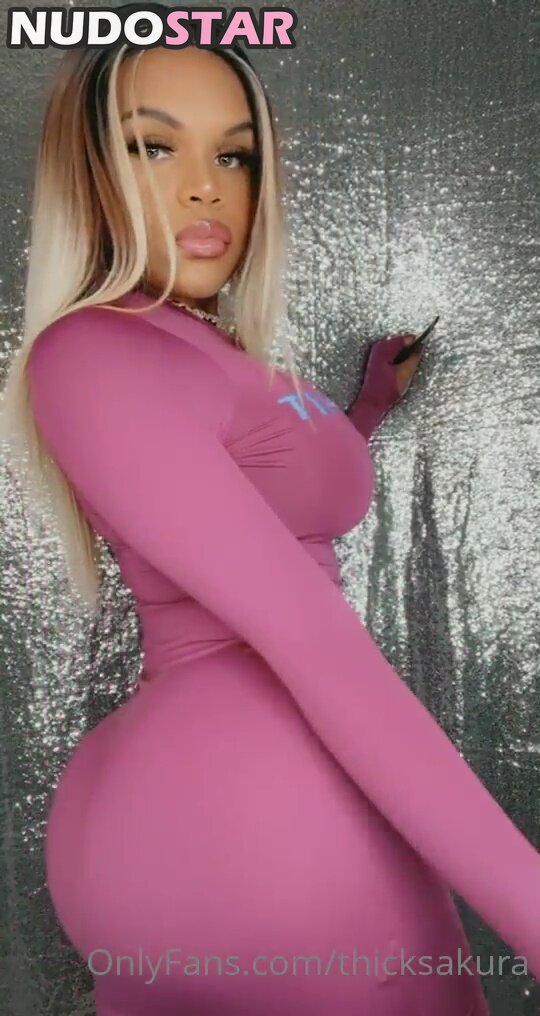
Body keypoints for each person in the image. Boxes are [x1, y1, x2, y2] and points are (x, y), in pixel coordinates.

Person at [3, 13, 540, 1016]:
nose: (206, 187)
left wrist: (367, 406)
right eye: (154, 146)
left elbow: (269, 496)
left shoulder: (210, 353)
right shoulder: (96, 351)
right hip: (250, 819)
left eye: (234, 155)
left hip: (218, 819)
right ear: (90, 172)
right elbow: (313, 640)